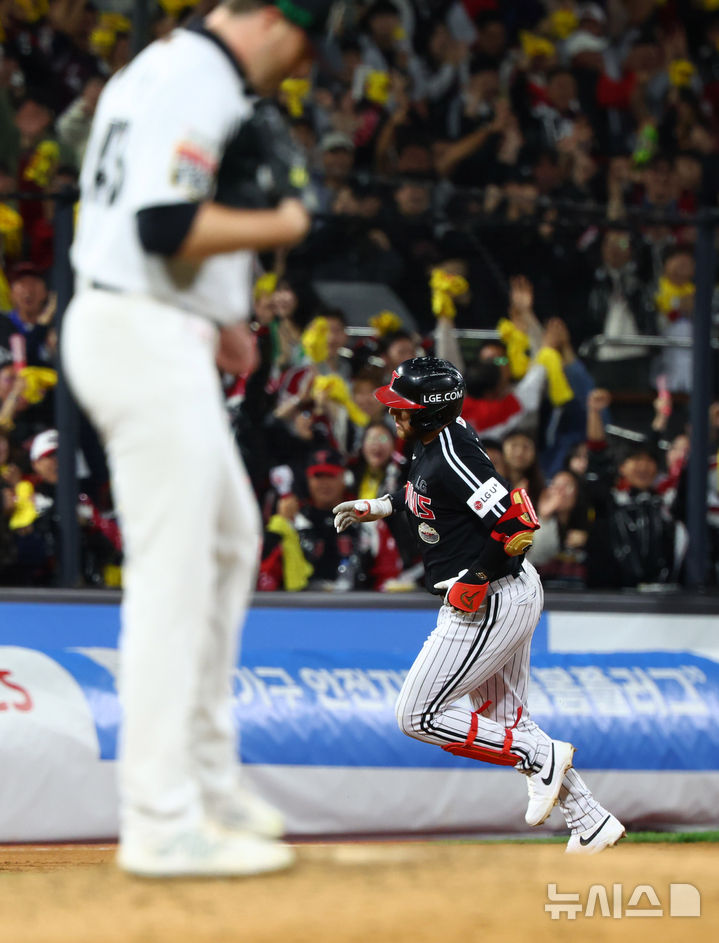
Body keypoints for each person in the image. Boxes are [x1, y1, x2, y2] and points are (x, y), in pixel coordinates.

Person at [61, 0, 338, 878]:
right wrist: (284, 226)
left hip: (155, 321)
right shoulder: (197, 76)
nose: (298, 63)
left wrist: (222, 312)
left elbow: (143, 223)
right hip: (139, 332)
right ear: (271, 18)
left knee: (227, 543)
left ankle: (208, 786)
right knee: (175, 573)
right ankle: (159, 814)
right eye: (302, 42)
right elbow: (163, 227)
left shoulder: (166, 65)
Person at [333, 358, 625, 854]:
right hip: (496, 594)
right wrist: (380, 507)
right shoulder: (435, 442)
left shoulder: (451, 454)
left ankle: (540, 754)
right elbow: (423, 493)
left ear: (428, 413)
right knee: (505, 719)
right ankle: (591, 820)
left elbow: (519, 524)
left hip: (488, 599)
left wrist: (478, 576)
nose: (394, 415)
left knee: (417, 714)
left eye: (402, 408)